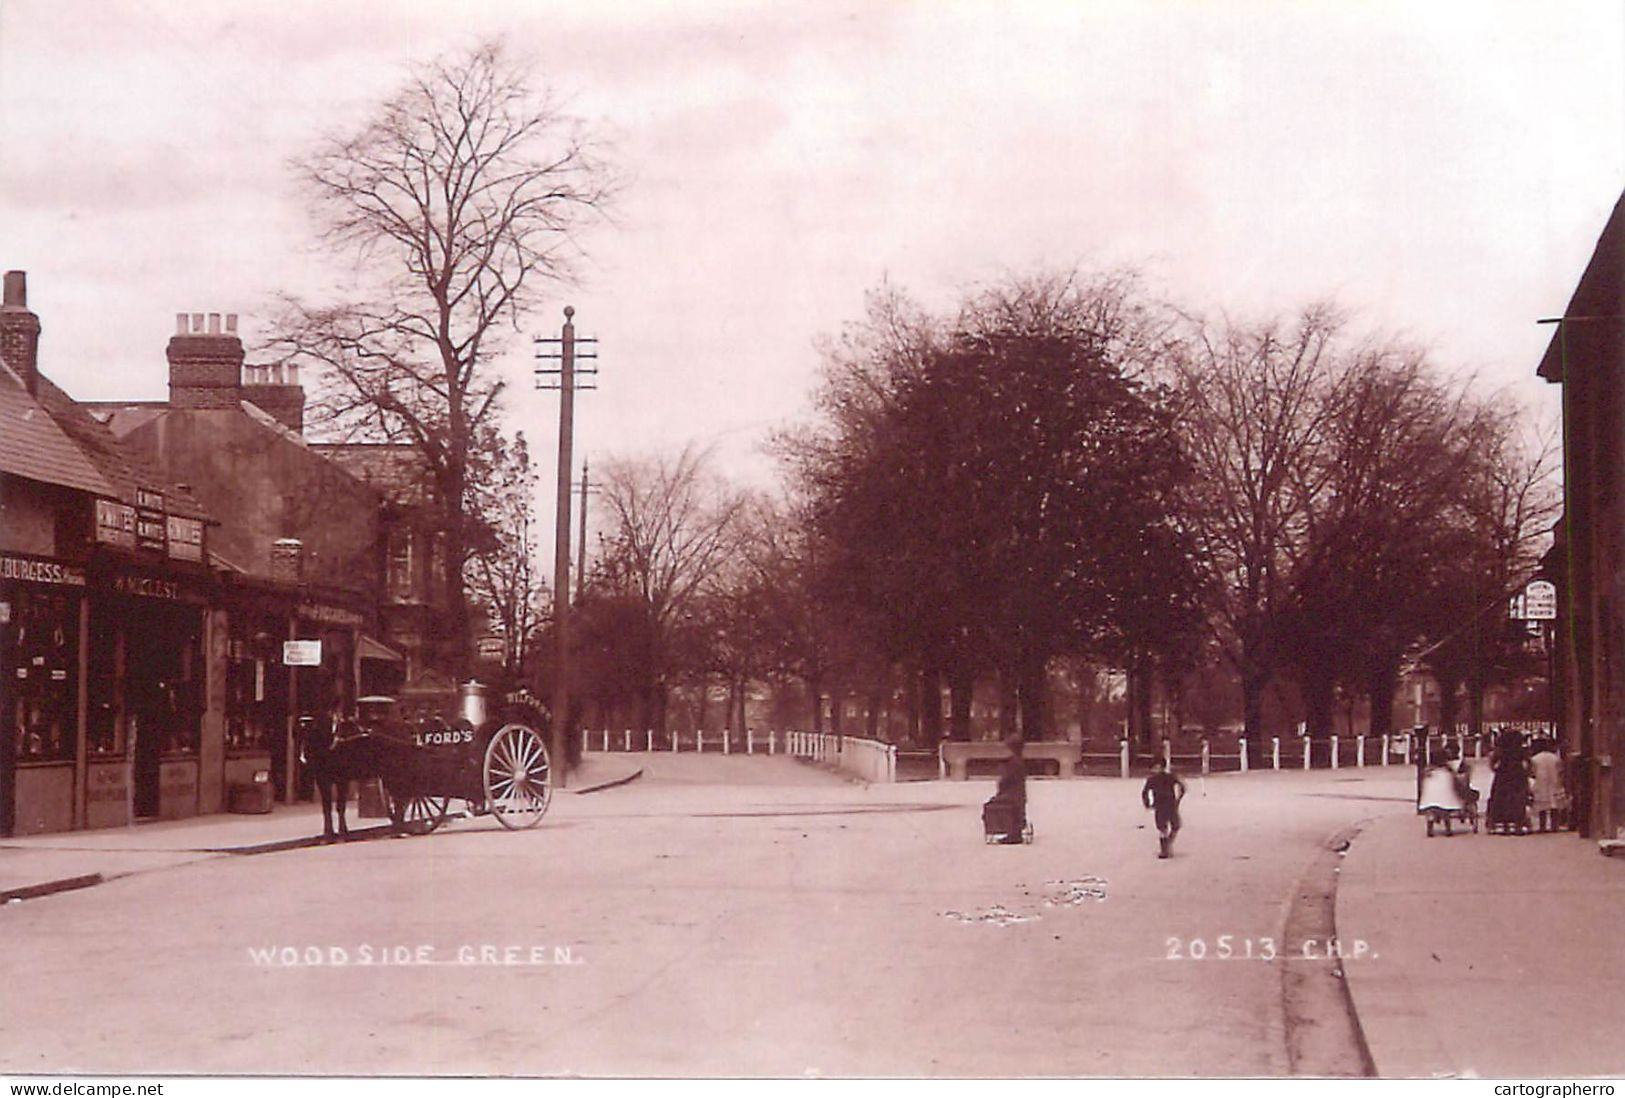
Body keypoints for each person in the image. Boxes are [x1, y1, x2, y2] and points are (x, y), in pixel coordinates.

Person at [984, 734, 1028, 844]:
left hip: (1011, 794)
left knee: (995, 805)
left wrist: (1000, 787)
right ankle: (1015, 830)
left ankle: (1009, 831)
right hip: (1018, 793)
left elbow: (1007, 780)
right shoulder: (1019, 760)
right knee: (1015, 809)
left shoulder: (1013, 762)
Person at [1487, 729, 1531, 835]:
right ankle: (1518, 826)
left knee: (1502, 801)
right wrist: (1526, 773)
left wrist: (1496, 770)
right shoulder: (1521, 750)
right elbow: (1528, 763)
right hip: (1518, 776)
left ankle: (1505, 826)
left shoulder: (1500, 750)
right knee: (1518, 801)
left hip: (1503, 777)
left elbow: (1492, 764)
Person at [1142, 759, 1187, 858]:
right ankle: (1165, 849)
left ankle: (1167, 845)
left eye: (1158, 768)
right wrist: (1147, 803)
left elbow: (1182, 787)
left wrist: (1178, 799)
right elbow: (1145, 792)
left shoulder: (1168, 777)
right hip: (1162, 805)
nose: (1156, 770)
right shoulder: (1155, 779)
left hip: (1169, 804)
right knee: (1164, 828)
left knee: (1175, 826)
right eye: (1155, 768)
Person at [1528, 738, 1566, 833]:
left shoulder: (1535, 759)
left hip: (1540, 782)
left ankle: (1542, 826)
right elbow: (1561, 771)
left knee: (1542, 806)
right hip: (1554, 781)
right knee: (1554, 804)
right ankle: (1554, 826)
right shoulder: (1555, 758)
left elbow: (1532, 772)